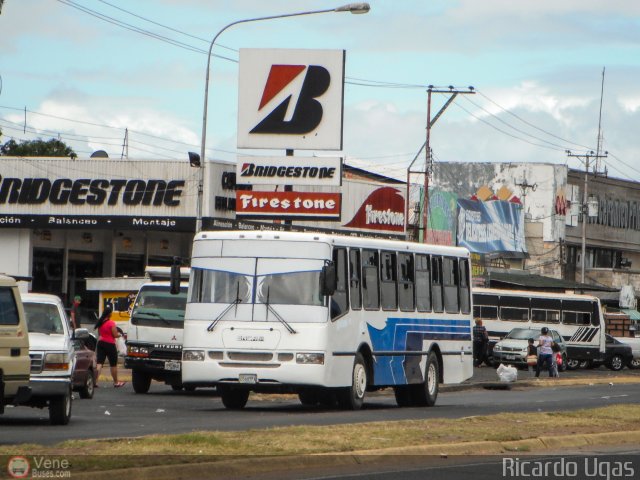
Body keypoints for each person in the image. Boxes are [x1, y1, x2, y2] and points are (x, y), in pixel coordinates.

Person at [94, 305, 126, 388]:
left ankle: (95, 381)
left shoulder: (100, 322)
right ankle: (116, 382)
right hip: (110, 344)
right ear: (110, 314)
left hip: (101, 343)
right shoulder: (111, 323)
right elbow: (115, 335)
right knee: (113, 364)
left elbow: (100, 334)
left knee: (99, 363)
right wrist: (120, 335)